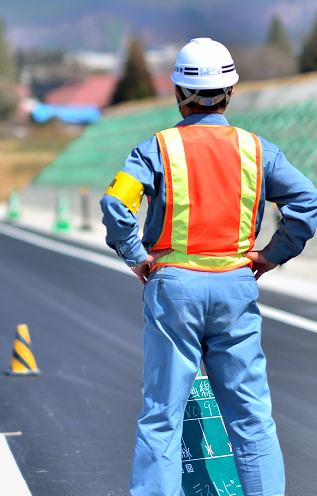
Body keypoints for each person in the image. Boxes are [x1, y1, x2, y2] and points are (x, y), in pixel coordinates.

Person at [100, 38, 317, 495]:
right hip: (236, 284)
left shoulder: (155, 148)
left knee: (162, 415)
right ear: (230, 92)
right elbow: (306, 202)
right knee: (251, 416)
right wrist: (273, 254)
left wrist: (137, 256)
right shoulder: (258, 150)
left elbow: (116, 204)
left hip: (174, 288)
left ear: (178, 91)